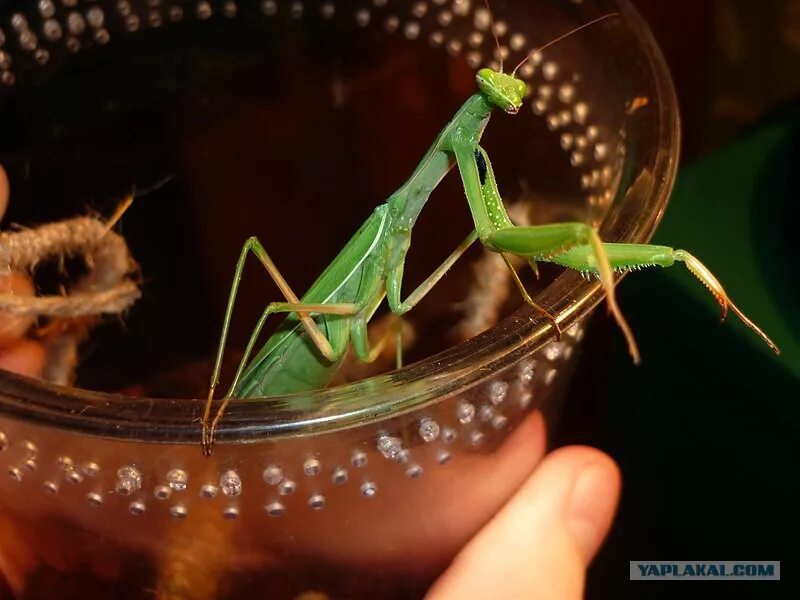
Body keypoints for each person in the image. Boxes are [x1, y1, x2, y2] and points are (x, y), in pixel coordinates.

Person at [0, 167, 621, 598]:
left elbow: (422, 285)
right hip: (276, 376)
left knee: (442, 271)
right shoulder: (393, 218)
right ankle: (220, 404)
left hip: (320, 380)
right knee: (265, 275)